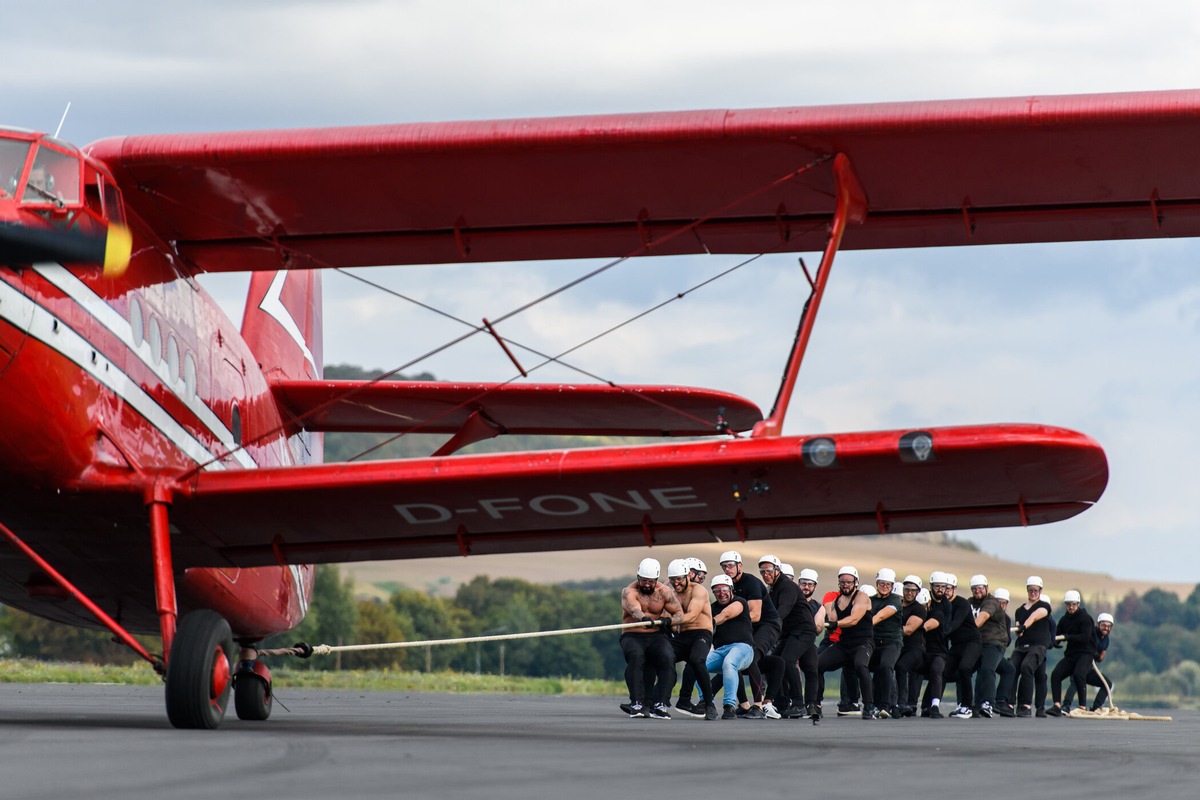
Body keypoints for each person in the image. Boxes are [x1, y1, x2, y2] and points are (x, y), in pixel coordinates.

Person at [719, 550, 781, 718]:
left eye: (731, 566)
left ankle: (758, 706)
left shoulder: (751, 582)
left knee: (751, 656)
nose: (727, 569)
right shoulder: (727, 586)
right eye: (724, 566)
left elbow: (755, 614)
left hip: (768, 624)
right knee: (733, 656)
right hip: (749, 627)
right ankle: (744, 704)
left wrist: (729, 623)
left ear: (740, 566)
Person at [619, 558, 683, 718]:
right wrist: (642, 619)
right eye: (643, 581)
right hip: (632, 634)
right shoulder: (629, 591)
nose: (647, 584)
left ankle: (661, 704)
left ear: (656, 580)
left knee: (668, 658)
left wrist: (670, 621)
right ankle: (637, 703)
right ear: (638, 577)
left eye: (650, 581)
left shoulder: (664, 592)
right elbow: (634, 609)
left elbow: (679, 614)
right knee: (636, 657)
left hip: (656, 635)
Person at [758, 554, 818, 720]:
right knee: (774, 663)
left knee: (787, 661)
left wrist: (769, 626)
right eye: (762, 572)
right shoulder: (773, 590)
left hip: (803, 631)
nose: (765, 575)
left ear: (777, 570)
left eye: (769, 571)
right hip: (789, 634)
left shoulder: (787, 587)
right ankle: (782, 702)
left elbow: (783, 609)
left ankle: (798, 704)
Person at [818, 566, 880, 719]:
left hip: (863, 643)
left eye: (849, 582)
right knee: (817, 665)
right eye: (842, 582)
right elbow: (830, 622)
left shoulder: (862, 597)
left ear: (856, 582)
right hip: (844, 644)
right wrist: (822, 625)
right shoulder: (836, 601)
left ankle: (869, 705)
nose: (845, 585)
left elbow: (854, 619)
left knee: (860, 665)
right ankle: (815, 704)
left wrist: (834, 624)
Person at [665, 559, 719, 720]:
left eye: (679, 579)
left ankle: (709, 704)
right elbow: (666, 613)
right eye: (673, 580)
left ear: (687, 575)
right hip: (683, 635)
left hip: (701, 633)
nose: (676, 583)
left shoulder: (698, 590)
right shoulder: (671, 591)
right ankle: (652, 700)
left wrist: (671, 620)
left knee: (696, 661)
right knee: (661, 656)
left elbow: (693, 614)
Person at [707, 574, 756, 719]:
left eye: (724, 589)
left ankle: (729, 706)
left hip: (743, 648)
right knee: (697, 665)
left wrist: (711, 621)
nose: (721, 593)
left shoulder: (739, 602)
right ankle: (705, 702)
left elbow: (726, 614)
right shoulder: (712, 608)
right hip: (720, 650)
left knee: (729, 663)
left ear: (731, 589)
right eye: (716, 591)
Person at [1046, 590, 1096, 717]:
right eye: (1068, 604)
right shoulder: (1064, 619)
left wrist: (1068, 637)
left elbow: (1085, 638)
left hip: (1085, 653)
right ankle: (1057, 705)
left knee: (1078, 674)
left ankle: (1082, 706)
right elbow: (1058, 633)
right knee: (1056, 674)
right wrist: (1054, 641)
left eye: (1073, 604)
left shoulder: (1085, 618)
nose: (1071, 607)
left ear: (1078, 604)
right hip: (1072, 654)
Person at [1010, 576, 1053, 718]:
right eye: (1030, 590)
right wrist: (1019, 630)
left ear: (1040, 591)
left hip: (1038, 647)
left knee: (1028, 668)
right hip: (1022, 646)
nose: (1033, 592)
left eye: (1035, 590)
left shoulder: (1044, 606)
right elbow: (1019, 632)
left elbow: (1034, 616)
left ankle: (1027, 706)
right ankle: (1008, 703)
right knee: (1011, 668)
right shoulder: (1019, 611)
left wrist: (1023, 626)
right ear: (1027, 590)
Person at [968, 574, 1004, 718]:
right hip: (977, 643)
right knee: (964, 669)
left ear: (986, 588)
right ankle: (966, 704)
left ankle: (988, 703)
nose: (977, 591)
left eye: (980, 588)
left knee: (987, 669)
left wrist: (967, 630)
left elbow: (982, 617)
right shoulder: (969, 602)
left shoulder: (991, 602)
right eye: (974, 589)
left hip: (994, 642)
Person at [1063, 612, 1115, 711]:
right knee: (1076, 681)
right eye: (1104, 625)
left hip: (1089, 668)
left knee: (1107, 684)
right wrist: (1097, 654)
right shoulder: (1091, 634)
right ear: (1098, 624)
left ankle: (1096, 707)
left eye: (1109, 626)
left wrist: (1101, 655)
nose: (1106, 628)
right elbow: (1087, 649)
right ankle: (1065, 706)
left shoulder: (1106, 639)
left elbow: (1100, 657)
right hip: (1080, 664)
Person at [869, 568, 903, 718]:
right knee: (857, 664)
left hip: (892, 642)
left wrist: (864, 625)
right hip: (874, 642)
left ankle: (886, 705)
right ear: (877, 583)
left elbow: (881, 616)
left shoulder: (895, 600)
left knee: (886, 666)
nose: (884, 586)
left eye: (888, 584)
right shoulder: (870, 600)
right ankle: (866, 703)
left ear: (892, 585)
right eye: (882, 583)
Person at [919, 572, 952, 718]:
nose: (940, 589)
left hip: (939, 648)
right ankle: (909, 704)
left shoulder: (946, 605)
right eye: (937, 586)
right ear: (931, 586)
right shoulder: (923, 599)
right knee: (911, 670)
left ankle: (934, 706)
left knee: (937, 671)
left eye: (943, 587)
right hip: (921, 646)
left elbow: (945, 627)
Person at [894, 575, 927, 717]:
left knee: (901, 666)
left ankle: (902, 702)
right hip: (897, 647)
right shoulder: (896, 606)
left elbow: (908, 630)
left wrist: (887, 629)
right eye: (907, 589)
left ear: (917, 592)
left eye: (913, 590)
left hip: (915, 649)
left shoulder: (919, 609)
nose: (909, 593)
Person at [990, 588, 1019, 717]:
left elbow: (1008, 639)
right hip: (984, 651)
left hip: (997, 652)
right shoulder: (987, 615)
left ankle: (1001, 701)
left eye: (1004, 603)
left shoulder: (1006, 619)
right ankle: (983, 701)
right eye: (999, 602)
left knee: (1009, 669)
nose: (1001, 606)